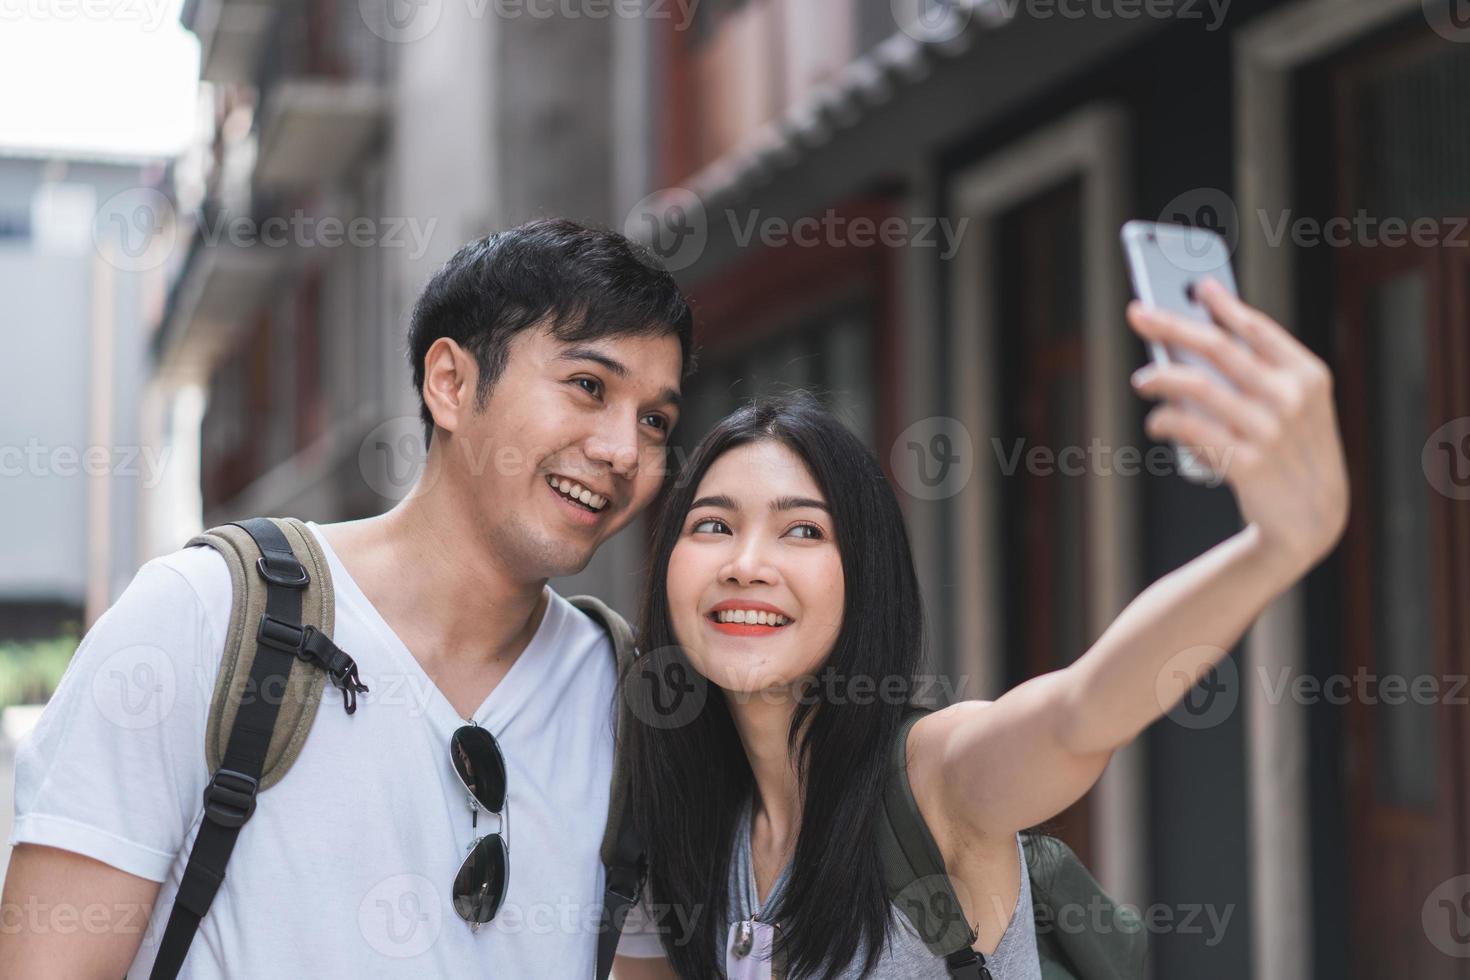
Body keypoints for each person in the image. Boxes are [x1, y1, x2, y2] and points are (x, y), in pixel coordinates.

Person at [0, 218, 695, 978]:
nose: (624, 451)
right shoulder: (203, 616)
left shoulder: (629, 699)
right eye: (588, 387)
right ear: (452, 384)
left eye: (655, 420)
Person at [612, 280, 1349, 979]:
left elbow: (1077, 715)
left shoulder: (933, 781)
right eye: (713, 525)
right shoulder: (693, 821)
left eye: (802, 531)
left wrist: (1274, 549)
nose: (746, 564)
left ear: (866, 578)